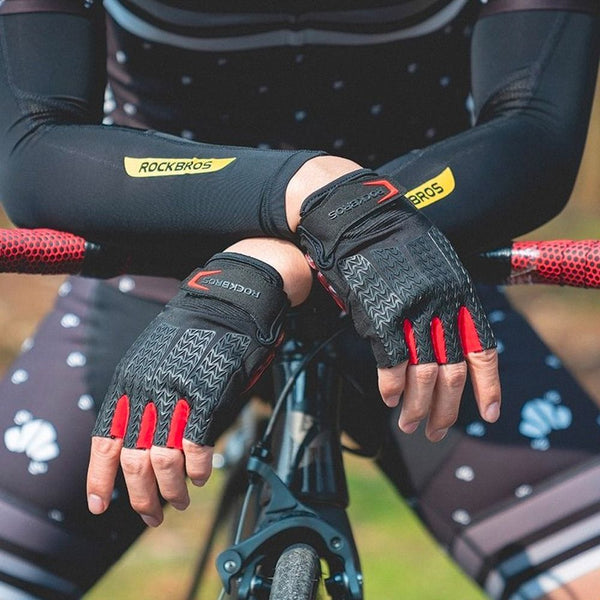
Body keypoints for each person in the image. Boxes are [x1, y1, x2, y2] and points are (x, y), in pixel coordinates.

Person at [0, 0, 597, 598]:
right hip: (184, 288)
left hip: (410, 279)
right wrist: (314, 196)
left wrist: (293, 249)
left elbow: (535, 127)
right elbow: (35, 147)